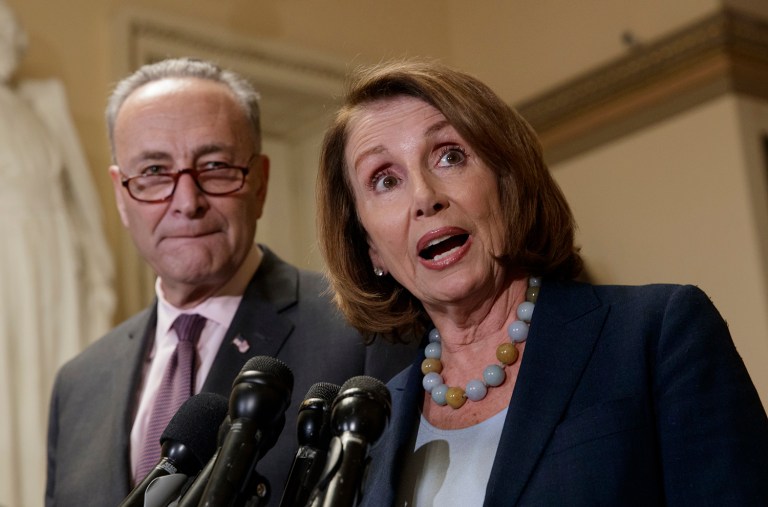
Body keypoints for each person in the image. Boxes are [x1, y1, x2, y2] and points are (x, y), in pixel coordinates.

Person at [316, 59, 768, 506]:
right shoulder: (370, 423)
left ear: (507, 182)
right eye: (385, 179)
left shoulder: (656, 334)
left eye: (450, 156)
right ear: (370, 247)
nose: (425, 197)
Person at [45, 57, 416, 506]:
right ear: (122, 194)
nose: (187, 202)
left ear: (259, 182)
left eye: (216, 165)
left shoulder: (366, 328)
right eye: (154, 172)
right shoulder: (78, 384)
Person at [1, 2, 114, 506]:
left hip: (53, 262)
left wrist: (99, 273)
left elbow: (81, 204)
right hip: (7, 264)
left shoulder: (40, 106)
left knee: (57, 381)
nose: (10, 38)